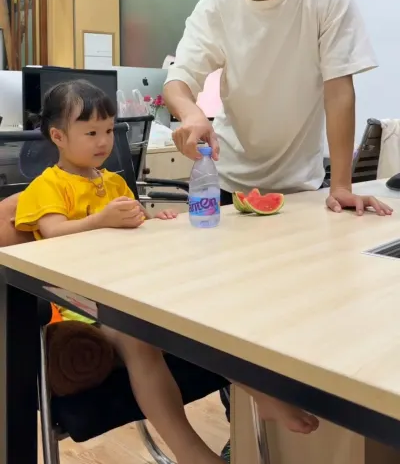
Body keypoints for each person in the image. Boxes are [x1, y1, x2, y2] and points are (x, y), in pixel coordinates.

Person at [163, 0, 393, 460]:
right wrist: (191, 113)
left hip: (302, 188)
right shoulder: (218, 4)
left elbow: (339, 89)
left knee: (301, 312)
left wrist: (341, 183)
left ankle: (272, 415)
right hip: (233, 182)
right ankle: (247, 417)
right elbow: (179, 78)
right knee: (230, 307)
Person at [15, 79, 318, 463]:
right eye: (91, 133)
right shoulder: (46, 186)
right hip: (86, 306)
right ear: (58, 136)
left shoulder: (113, 182)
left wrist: (153, 220)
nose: (104, 142)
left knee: (208, 309)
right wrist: (100, 220)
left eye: (108, 130)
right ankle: (190, 451)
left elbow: (133, 224)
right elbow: (53, 232)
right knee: (137, 338)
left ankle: (259, 391)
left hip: (131, 289)